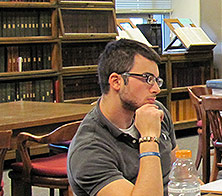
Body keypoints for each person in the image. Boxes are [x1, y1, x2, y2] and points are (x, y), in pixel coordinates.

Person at [67, 39, 178, 196]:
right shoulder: (90, 149)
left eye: (156, 80)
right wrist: (148, 139)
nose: (156, 89)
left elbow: (179, 172)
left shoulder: (156, 112)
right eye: (147, 78)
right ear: (116, 81)